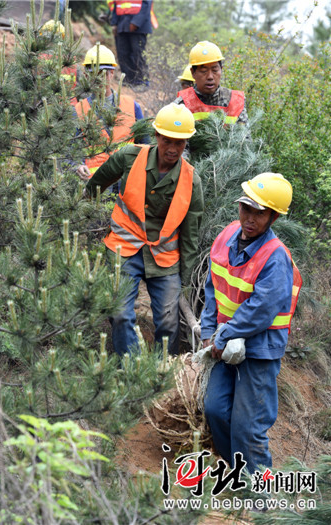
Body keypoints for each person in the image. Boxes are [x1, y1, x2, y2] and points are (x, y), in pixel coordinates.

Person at [201, 173, 302, 474]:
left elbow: (261, 310)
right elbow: (213, 287)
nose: (249, 218)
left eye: (259, 213)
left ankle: (260, 498)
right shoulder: (226, 237)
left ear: (273, 217)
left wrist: (222, 336)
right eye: (246, 208)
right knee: (215, 410)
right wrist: (209, 332)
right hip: (224, 341)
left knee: (248, 427)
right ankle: (237, 474)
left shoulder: (275, 257)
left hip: (260, 348)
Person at [86, 103, 204, 356]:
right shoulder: (129, 156)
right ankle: (130, 372)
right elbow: (94, 186)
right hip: (124, 245)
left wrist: (185, 279)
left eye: (179, 143)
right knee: (119, 313)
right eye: (167, 141)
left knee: (169, 321)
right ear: (157, 136)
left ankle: (162, 377)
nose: (172, 149)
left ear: (186, 144)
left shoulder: (191, 179)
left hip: (164, 257)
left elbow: (190, 233)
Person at [75, 44, 144, 180]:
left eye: (103, 74)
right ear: (86, 76)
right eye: (93, 74)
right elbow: (71, 149)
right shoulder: (78, 110)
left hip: (127, 179)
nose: (98, 79)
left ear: (111, 73)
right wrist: (77, 164)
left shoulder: (132, 106)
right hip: (95, 183)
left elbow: (145, 144)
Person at [175, 41, 249, 125]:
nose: (210, 76)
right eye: (203, 71)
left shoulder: (235, 101)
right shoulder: (182, 104)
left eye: (215, 70)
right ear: (193, 73)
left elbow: (244, 136)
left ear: (221, 69)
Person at [110, 0, 153, 88]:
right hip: (121, 25)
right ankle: (128, 80)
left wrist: (136, 22)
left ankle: (142, 80)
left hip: (138, 27)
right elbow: (116, 5)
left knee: (138, 53)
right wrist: (114, 23)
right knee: (122, 54)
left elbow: (146, 6)